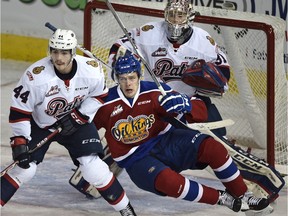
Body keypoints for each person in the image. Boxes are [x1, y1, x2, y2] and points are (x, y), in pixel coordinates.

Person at [93, 53, 270, 214]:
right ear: (116, 78)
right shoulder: (105, 103)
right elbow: (86, 127)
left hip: (167, 142)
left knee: (213, 148)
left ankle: (243, 195)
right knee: (169, 182)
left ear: (139, 75)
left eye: (132, 78)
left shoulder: (155, 90)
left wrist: (187, 104)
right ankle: (222, 198)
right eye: (123, 79)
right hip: (136, 160)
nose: (128, 84)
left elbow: (201, 112)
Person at [0, 29, 137, 216]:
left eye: (64, 52)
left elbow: (100, 95)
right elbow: (19, 111)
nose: (58, 57)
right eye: (55, 51)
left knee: (93, 167)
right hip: (41, 125)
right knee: (25, 169)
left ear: (73, 53)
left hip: (77, 123)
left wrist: (79, 116)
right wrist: (20, 141)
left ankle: (126, 209)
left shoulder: (90, 69)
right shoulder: (35, 77)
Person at [108, 0, 230, 137]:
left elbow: (223, 73)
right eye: (171, 15)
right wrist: (121, 63)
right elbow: (119, 47)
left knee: (216, 133)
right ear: (165, 15)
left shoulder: (203, 42)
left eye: (180, 15)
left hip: (188, 100)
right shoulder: (149, 33)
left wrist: (210, 82)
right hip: (154, 100)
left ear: (190, 17)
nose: (175, 20)